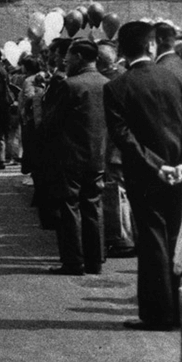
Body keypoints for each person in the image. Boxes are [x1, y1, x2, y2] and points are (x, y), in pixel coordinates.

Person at [104, 20, 182, 330]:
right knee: (178, 238)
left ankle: (158, 314)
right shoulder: (180, 76)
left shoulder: (117, 86)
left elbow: (124, 137)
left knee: (151, 242)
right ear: (151, 45)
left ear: (122, 49)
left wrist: (157, 165)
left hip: (145, 175)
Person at [38, 39, 107, 276]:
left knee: (70, 208)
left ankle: (73, 261)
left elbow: (50, 122)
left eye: (68, 57)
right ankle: (95, 261)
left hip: (69, 156)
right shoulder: (107, 84)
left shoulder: (70, 86)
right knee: (93, 206)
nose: (66, 62)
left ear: (78, 56)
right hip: (97, 156)